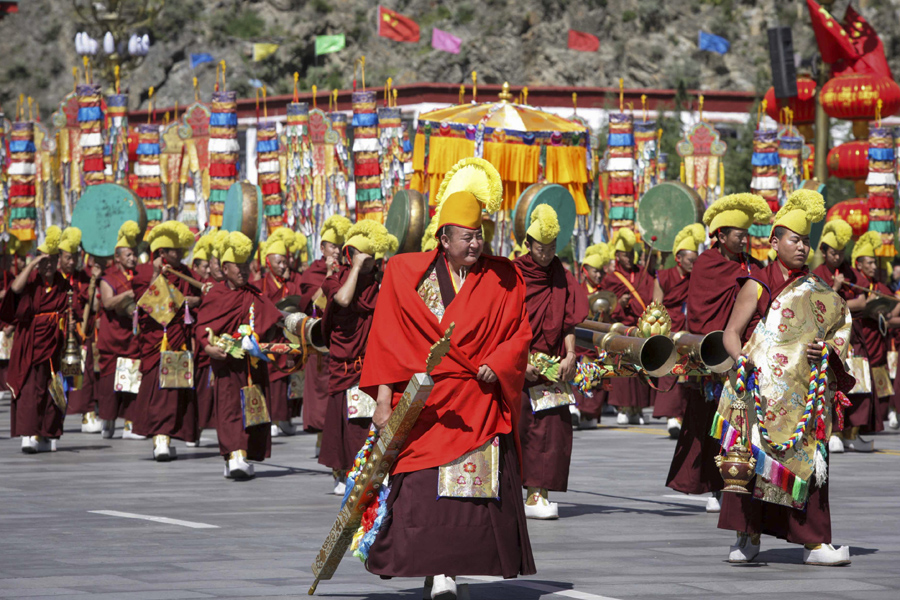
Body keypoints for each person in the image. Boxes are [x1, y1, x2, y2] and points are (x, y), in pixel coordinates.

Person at [359, 157, 535, 599]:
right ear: (443, 237)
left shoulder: (504, 277)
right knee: (421, 489)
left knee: (471, 495)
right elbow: (387, 340)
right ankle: (432, 567)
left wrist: (500, 358)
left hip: (477, 400)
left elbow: (519, 332)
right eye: (467, 236)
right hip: (426, 404)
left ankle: (448, 571)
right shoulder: (407, 275)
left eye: (480, 235)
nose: (475, 244)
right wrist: (383, 401)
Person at [714, 189, 853, 566]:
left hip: (803, 396)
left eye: (806, 242)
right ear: (774, 242)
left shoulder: (820, 292)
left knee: (807, 464)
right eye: (794, 240)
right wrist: (739, 357)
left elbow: (840, 335)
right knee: (752, 463)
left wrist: (825, 352)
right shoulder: (756, 283)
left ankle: (814, 542)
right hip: (760, 391)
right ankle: (748, 536)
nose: (802, 248)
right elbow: (731, 333)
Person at [665, 193, 770, 513]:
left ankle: (740, 481)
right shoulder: (709, 263)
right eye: (739, 236)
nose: (744, 241)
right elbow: (701, 308)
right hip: (714, 357)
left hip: (745, 353)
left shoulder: (749, 264)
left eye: (747, 236)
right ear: (721, 236)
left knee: (742, 423)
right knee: (712, 424)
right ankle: (714, 485)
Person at [515, 204, 588, 520]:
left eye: (551, 248)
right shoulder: (515, 274)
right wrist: (519, 360)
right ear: (528, 244)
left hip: (553, 366)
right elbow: (504, 322)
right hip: (519, 366)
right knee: (520, 429)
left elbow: (568, 321)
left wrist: (571, 354)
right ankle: (514, 491)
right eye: (540, 248)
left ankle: (537, 494)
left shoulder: (562, 275)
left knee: (552, 432)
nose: (545, 255)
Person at [196, 231, 283, 479]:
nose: (244, 271)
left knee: (252, 409)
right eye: (238, 266)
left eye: (247, 265)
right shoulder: (216, 295)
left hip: (252, 364)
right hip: (227, 365)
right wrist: (208, 347)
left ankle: (241, 454)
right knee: (229, 408)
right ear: (225, 268)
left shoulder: (254, 295)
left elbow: (274, 318)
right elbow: (203, 328)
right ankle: (235, 454)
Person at [318, 219, 388, 495]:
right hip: (343, 365)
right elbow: (344, 300)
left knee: (367, 424)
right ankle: (343, 470)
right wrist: (356, 268)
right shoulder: (334, 279)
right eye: (356, 256)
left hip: (369, 365)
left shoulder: (379, 285)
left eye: (368, 259)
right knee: (341, 424)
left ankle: (367, 469)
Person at [131, 221, 201, 461]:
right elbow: (145, 303)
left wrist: (195, 301)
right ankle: (160, 438)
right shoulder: (142, 272)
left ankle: (169, 437)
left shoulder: (186, 272)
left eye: (181, 249)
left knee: (175, 392)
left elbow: (199, 296)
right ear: (162, 253)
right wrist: (155, 274)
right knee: (160, 391)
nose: (180, 254)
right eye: (175, 250)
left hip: (179, 340)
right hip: (156, 341)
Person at [1, 227, 70, 453]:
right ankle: (28, 434)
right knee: (30, 389)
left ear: (57, 260)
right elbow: (15, 288)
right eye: (43, 261)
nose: (47, 265)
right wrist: (31, 264)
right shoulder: (31, 280)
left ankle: (48, 433)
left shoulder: (62, 283)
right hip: (30, 342)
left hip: (54, 343)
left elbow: (70, 309)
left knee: (51, 389)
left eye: (51, 260)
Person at [840, 231, 900, 451]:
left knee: (867, 392)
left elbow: (893, 314)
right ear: (859, 264)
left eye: (876, 262)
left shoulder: (880, 288)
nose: (875, 267)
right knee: (855, 389)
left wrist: (880, 315)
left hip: (874, 348)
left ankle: (855, 433)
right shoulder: (854, 283)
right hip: (854, 344)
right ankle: (843, 433)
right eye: (870, 262)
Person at [811, 220, 867, 453]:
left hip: (853, 338)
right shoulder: (817, 274)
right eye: (833, 253)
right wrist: (834, 288)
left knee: (859, 385)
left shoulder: (850, 272)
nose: (838, 257)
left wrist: (844, 302)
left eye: (842, 253)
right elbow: (820, 307)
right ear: (823, 252)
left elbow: (863, 301)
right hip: (831, 340)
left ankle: (852, 432)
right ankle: (833, 431)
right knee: (833, 384)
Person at [298, 215, 350, 450]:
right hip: (320, 340)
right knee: (321, 390)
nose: (337, 251)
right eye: (332, 246)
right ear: (322, 247)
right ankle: (322, 435)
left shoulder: (348, 269)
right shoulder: (313, 272)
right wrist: (329, 278)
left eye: (340, 246)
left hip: (344, 337)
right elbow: (314, 303)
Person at [652, 224, 705, 438]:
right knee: (670, 373)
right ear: (678, 259)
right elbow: (656, 306)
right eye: (690, 260)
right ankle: (672, 417)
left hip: (691, 330)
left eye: (696, 260)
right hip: (670, 329)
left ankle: (686, 415)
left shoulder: (699, 277)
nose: (694, 264)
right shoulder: (663, 276)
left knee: (690, 374)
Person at [600, 228, 655, 424]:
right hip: (621, 328)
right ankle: (622, 408)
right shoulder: (612, 277)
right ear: (617, 256)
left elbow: (650, 295)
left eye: (632, 254)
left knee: (640, 369)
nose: (629, 258)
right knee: (622, 368)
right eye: (625, 254)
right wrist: (619, 305)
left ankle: (638, 409)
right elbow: (605, 306)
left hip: (639, 328)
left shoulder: (642, 273)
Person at [97, 221, 143, 439]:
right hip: (113, 336)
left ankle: (130, 424)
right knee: (109, 381)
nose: (132, 258)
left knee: (132, 380)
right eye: (128, 255)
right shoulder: (108, 278)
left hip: (132, 337)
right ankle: (107, 420)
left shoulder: (138, 276)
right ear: (117, 258)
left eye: (133, 254)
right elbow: (107, 302)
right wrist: (128, 295)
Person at [55, 227, 101, 434]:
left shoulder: (84, 276)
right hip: (58, 335)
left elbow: (91, 307)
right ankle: (57, 413)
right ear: (60, 258)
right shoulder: (54, 277)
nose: (72, 262)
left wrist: (94, 284)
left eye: (74, 257)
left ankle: (87, 413)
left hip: (80, 335)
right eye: (68, 258)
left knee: (85, 374)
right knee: (58, 374)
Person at [259, 228, 302, 437]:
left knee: (287, 376)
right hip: (270, 335)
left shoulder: (291, 285)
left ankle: (284, 418)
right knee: (273, 377)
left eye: (285, 262)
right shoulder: (262, 284)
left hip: (288, 335)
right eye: (279, 262)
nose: (283, 266)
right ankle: (274, 419)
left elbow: (297, 303)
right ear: (269, 263)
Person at [574, 242, 613, 427]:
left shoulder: (605, 296)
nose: (598, 275)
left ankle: (589, 414)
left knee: (597, 378)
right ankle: (575, 408)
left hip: (598, 345)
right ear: (584, 271)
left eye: (601, 272)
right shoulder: (577, 291)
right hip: (580, 343)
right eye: (594, 271)